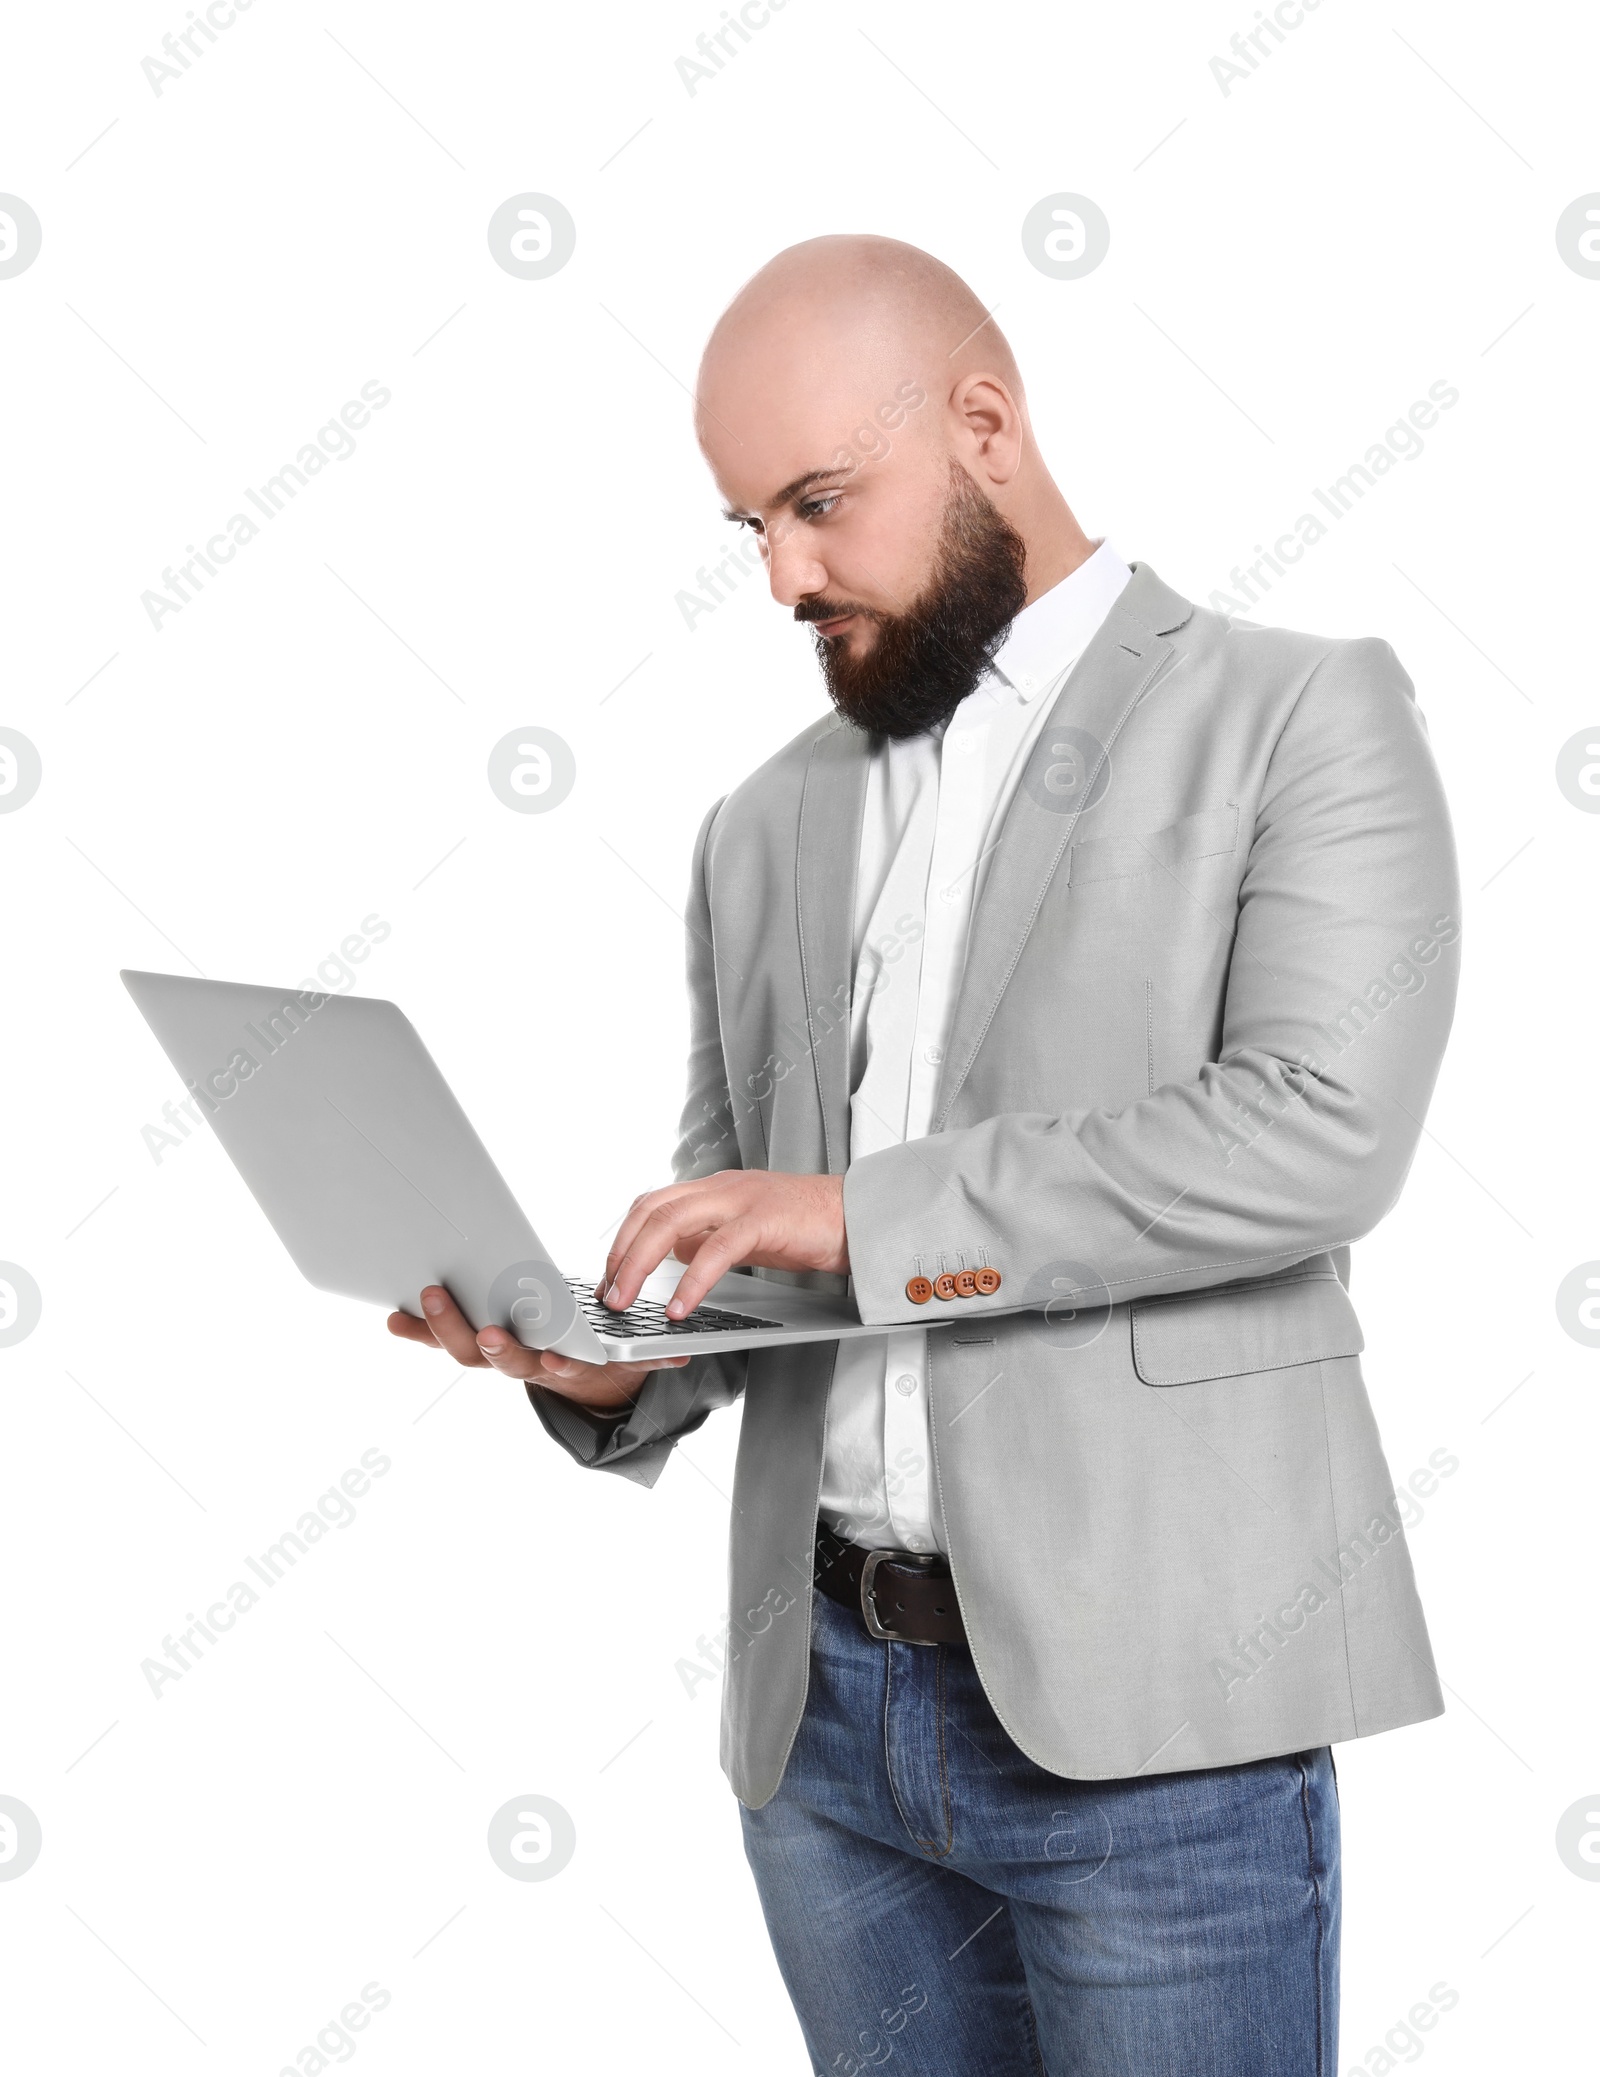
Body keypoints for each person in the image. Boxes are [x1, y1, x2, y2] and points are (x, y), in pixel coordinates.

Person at [389, 235, 1459, 2075]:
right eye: (751, 529)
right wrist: (619, 1361)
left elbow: (1316, 1135)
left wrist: (857, 1214)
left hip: (1158, 1731)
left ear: (985, 425)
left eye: (818, 503)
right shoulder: (761, 823)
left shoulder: (1297, 714)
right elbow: (761, 1231)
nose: (785, 575)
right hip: (826, 1731)